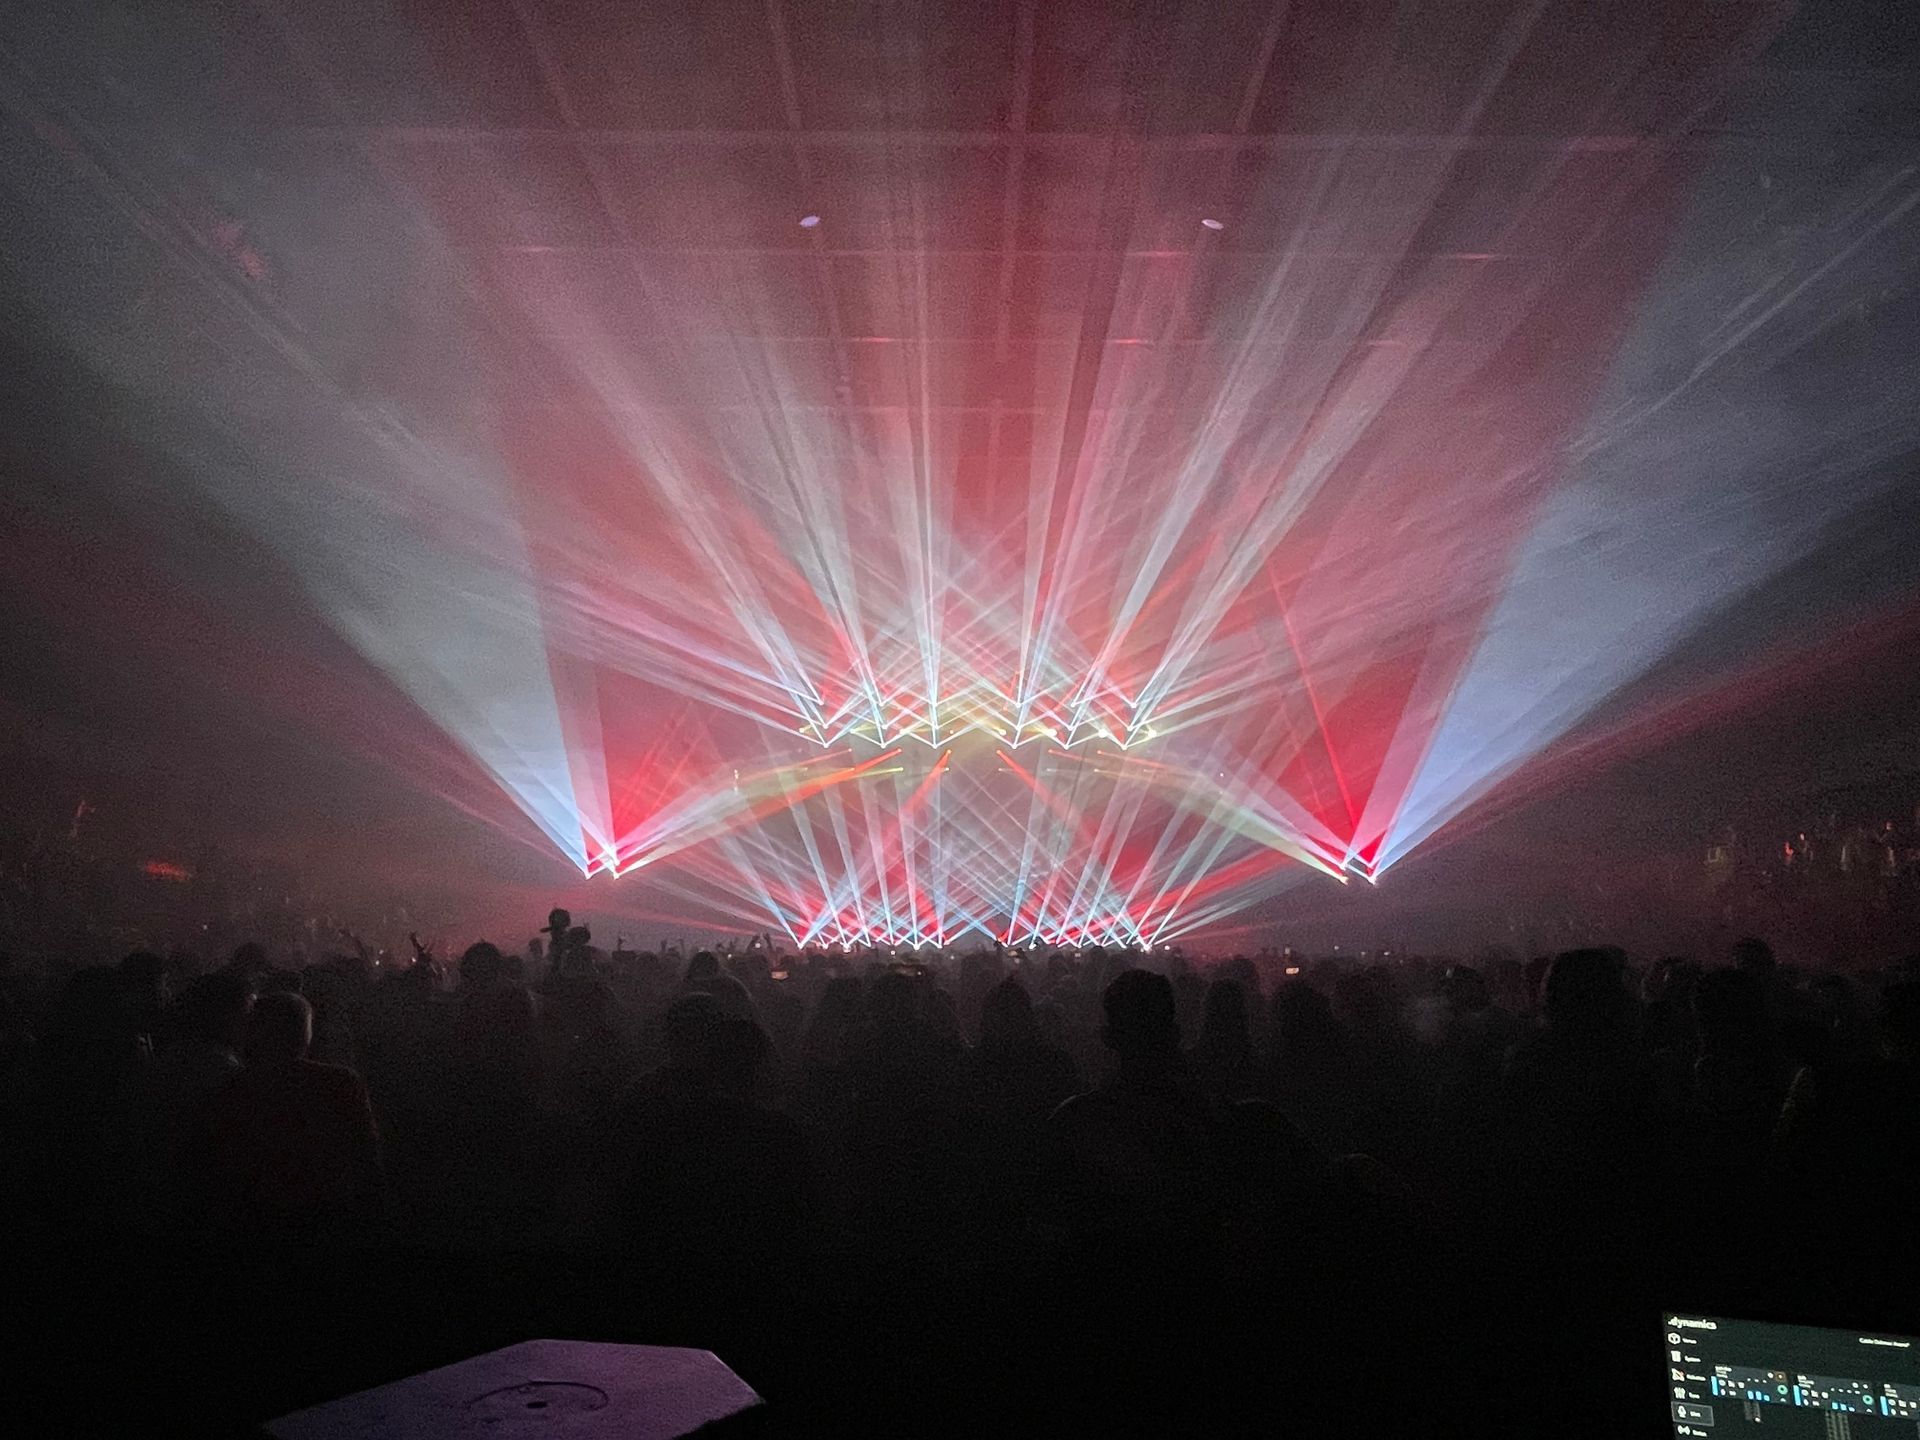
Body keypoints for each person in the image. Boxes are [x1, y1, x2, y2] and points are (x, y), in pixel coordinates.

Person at [197, 990, 384, 1240]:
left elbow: (218, 1161)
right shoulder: (341, 1082)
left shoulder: (236, 1086)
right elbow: (366, 1152)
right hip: (327, 1211)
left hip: (256, 1214)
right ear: (305, 1033)